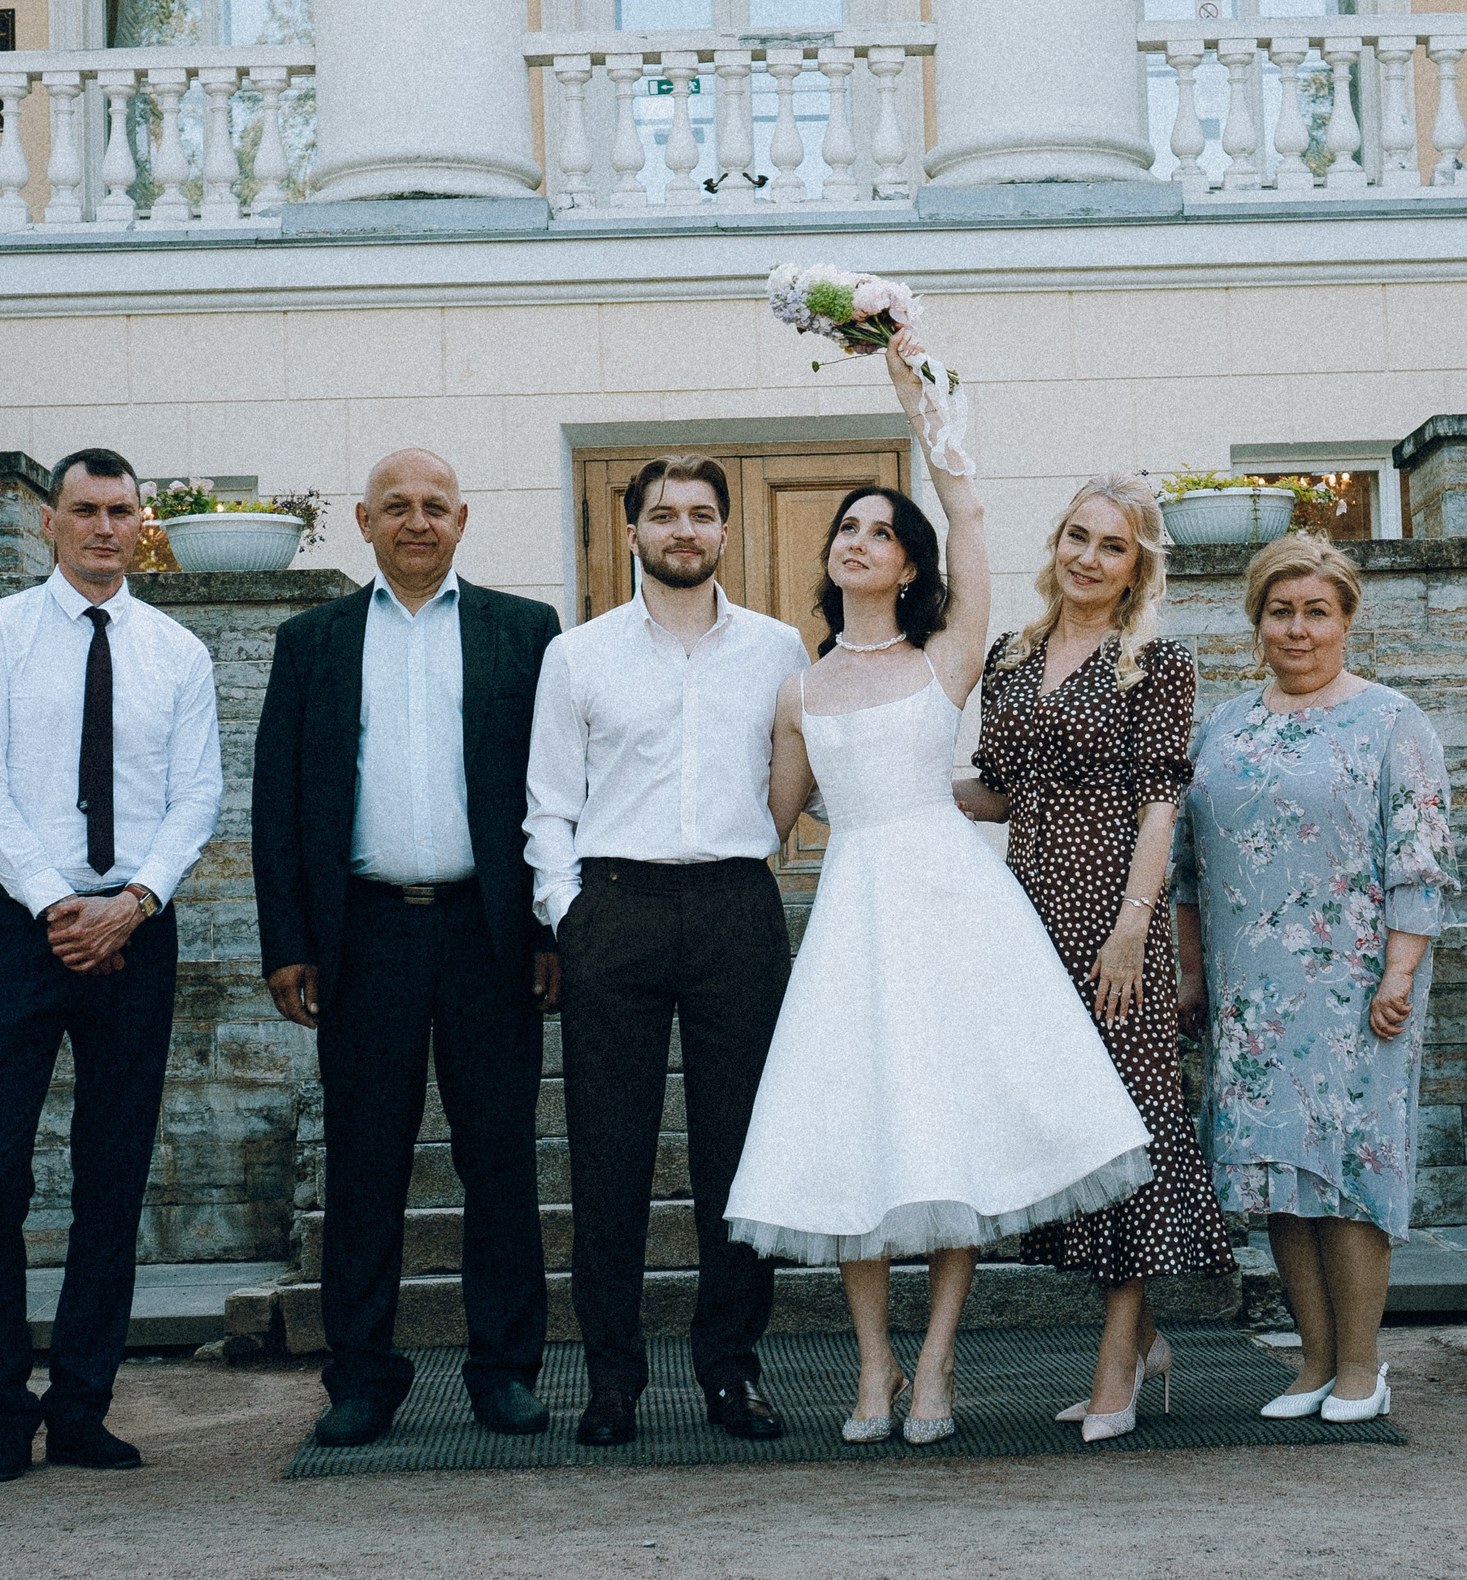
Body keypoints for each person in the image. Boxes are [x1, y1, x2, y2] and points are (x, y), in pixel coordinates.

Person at [725, 351, 1152, 1449]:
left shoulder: (947, 656)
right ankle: (872, 1364)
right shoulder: (797, 688)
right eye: (846, 529)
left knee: (950, 1131)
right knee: (859, 1132)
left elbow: (968, 515)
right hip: (854, 916)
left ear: (908, 563)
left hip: (954, 908)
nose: (857, 540)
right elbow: (768, 826)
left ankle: (935, 1363)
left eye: (880, 530)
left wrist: (917, 390)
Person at [252, 449, 561, 1449]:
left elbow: (559, 788)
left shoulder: (525, 632)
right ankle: (361, 1377)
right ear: (363, 521)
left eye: (435, 506)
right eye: (397, 506)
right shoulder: (313, 642)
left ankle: (504, 1370)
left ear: (463, 520)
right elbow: (277, 801)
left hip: (488, 932)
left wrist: (549, 928)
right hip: (365, 933)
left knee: (500, 1160)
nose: (417, 521)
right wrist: (288, 942)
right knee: (364, 1164)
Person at [0, 447, 222, 1484]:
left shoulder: (177, 654)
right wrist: (57, 904)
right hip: (24, 924)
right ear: (50, 522)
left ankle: (82, 1405)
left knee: (112, 1173)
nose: (105, 527)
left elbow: (196, 795)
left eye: (121, 511)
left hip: (134, 928)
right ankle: (1, 1413)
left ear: (141, 525)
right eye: (85, 510)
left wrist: (133, 902)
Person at [523, 455, 811, 1448]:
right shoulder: (579, 655)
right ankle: (612, 1379)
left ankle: (730, 1371)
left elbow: (802, 775)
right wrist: (569, 913)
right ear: (633, 532)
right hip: (617, 907)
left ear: (725, 530)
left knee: (740, 1155)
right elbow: (548, 803)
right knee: (609, 1155)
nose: (682, 529)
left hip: (735, 906)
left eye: (699, 513)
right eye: (662, 514)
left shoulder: (778, 648)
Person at [955, 473, 1235, 1443]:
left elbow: (1161, 805)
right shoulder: (1010, 655)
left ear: (1136, 567)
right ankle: (1145, 1337)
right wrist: (890, 786)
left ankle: (1117, 1360)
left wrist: (1132, 926)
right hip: (1026, 922)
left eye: (1112, 545)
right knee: (1065, 1126)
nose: (1087, 556)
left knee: (1130, 1130)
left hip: (1117, 923)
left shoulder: (1155, 662)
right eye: (1078, 535)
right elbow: (999, 792)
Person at [1172, 532, 1457, 1425]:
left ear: (1346, 620)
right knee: (1276, 1175)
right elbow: (1186, 867)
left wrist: (1400, 970)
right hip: (1251, 994)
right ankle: (1314, 1362)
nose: (1297, 629)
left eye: (1316, 612)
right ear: (1257, 620)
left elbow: (1421, 858)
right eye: (1280, 611)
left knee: (1349, 1172)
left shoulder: (1393, 722)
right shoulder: (1222, 727)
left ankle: (1364, 1367)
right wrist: (1192, 974)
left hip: (1358, 989)